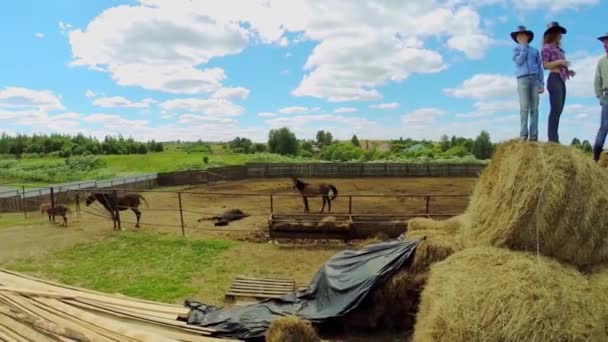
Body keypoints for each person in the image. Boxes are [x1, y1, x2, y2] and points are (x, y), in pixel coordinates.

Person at [542, 22, 576, 143]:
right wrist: (560, 62)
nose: (561, 35)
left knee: (559, 110)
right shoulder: (547, 47)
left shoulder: (559, 50)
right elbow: (545, 65)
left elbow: (561, 65)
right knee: (555, 110)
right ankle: (553, 140)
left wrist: (569, 71)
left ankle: (554, 139)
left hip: (561, 80)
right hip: (554, 79)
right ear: (553, 34)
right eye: (559, 32)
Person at [512, 25, 544, 141]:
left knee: (534, 108)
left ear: (527, 36)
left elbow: (540, 68)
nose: (520, 36)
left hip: (534, 79)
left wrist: (541, 84)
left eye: (522, 34)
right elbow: (519, 61)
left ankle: (534, 135)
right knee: (524, 107)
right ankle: (523, 134)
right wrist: (523, 47)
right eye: (518, 35)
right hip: (522, 79)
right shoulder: (516, 50)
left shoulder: (535, 51)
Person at [592, 33, 608, 162]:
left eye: (607, 42)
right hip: (607, 96)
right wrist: (600, 97)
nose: (605, 44)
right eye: (604, 42)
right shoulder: (602, 62)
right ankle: (595, 157)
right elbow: (597, 81)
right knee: (604, 126)